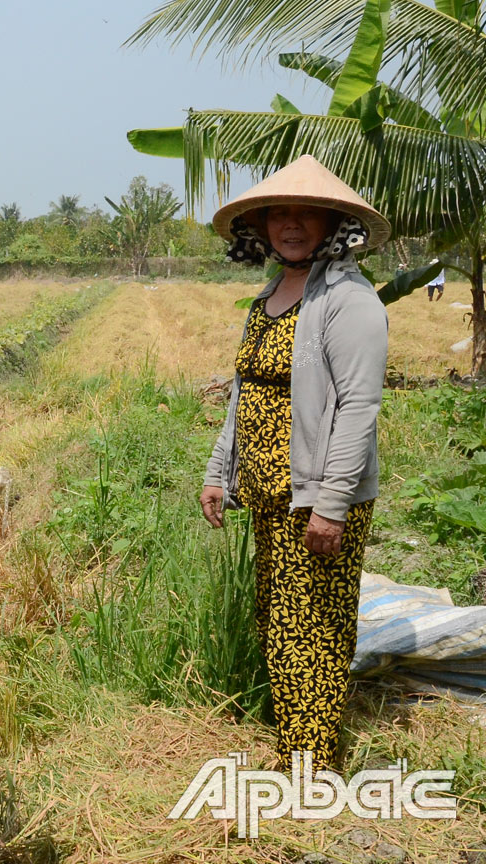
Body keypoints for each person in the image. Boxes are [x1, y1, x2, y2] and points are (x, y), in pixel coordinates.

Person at [201, 154, 391, 772]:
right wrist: (218, 471)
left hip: (315, 497)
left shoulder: (348, 299)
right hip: (266, 492)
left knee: (315, 624)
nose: (288, 224)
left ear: (330, 223)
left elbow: (359, 408)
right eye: (276, 213)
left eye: (301, 213)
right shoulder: (273, 292)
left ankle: (312, 763)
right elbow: (244, 390)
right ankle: (295, 745)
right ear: (260, 227)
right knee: (281, 617)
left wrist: (332, 504)